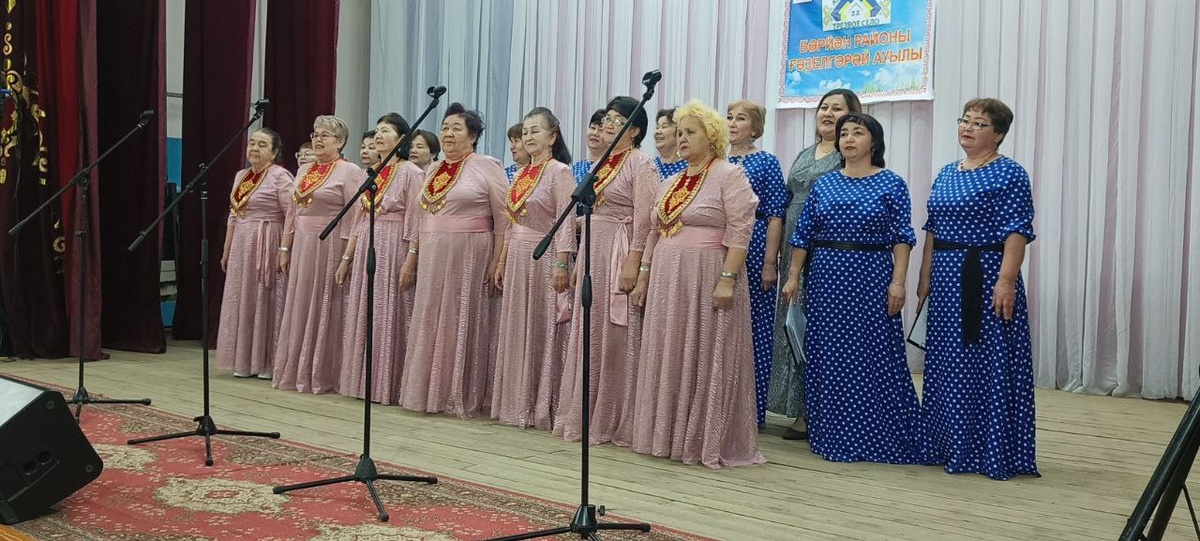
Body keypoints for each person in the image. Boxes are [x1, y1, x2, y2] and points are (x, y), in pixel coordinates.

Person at [629, 100, 764, 468]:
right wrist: (644, 275)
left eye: (690, 132)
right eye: (680, 132)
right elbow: (654, 231)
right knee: (669, 349)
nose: (682, 138)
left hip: (707, 274)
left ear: (712, 136)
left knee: (703, 350)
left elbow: (740, 230)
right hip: (667, 278)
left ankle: (702, 438)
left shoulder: (730, 175)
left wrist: (728, 279)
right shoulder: (671, 180)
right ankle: (666, 435)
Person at [780, 112, 920, 464]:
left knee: (872, 355)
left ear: (874, 142)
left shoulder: (891, 182)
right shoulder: (825, 183)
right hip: (826, 277)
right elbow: (803, 235)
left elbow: (902, 237)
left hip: (871, 275)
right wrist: (793, 275)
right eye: (844, 133)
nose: (849, 139)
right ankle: (832, 432)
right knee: (829, 355)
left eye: (858, 132)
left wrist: (898, 282)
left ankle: (875, 432)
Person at [916, 98, 1038, 480]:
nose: (967, 128)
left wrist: (1006, 281)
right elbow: (932, 230)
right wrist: (924, 278)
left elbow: (1017, 231)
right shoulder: (946, 172)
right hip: (946, 280)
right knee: (947, 362)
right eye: (964, 120)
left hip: (985, 277)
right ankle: (947, 443)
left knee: (984, 361)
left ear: (998, 134)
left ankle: (987, 449)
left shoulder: (1009, 173)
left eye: (978, 123)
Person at [554, 96, 657, 445]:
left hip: (620, 248)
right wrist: (575, 258)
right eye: (607, 119)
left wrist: (635, 261)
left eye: (618, 120)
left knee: (617, 334)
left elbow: (645, 218)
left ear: (635, 131)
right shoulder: (602, 163)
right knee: (591, 329)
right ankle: (586, 411)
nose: (609, 125)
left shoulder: (640, 163)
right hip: (594, 248)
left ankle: (617, 417)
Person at [399, 102, 508, 417]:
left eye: (456, 128)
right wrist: (412, 257)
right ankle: (428, 391)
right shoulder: (433, 169)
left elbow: (504, 218)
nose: (447, 133)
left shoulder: (487, 165)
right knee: (431, 317)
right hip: (432, 253)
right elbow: (421, 218)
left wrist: (498, 260)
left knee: (460, 318)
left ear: (473, 136)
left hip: (469, 252)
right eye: (444, 127)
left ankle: (459, 392)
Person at [768, 88, 862, 440]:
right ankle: (798, 407)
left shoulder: (849, 155)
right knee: (793, 323)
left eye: (837, 109)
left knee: (818, 326)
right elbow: (787, 200)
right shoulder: (805, 153)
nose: (827, 113)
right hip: (792, 248)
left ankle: (817, 410)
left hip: (825, 248)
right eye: (824, 107)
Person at [490, 107, 575, 429]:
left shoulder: (559, 172)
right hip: (517, 256)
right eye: (525, 131)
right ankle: (516, 403)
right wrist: (501, 260)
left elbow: (565, 219)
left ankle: (542, 405)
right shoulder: (521, 173)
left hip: (544, 255)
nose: (527, 137)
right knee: (518, 326)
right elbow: (510, 223)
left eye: (535, 130)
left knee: (542, 327)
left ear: (552, 137)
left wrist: (562, 262)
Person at [335, 113, 425, 405]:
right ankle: (363, 382)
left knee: (390, 310)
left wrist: (412, 257)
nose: (378, 135)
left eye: (385, 131)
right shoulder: (371, 173)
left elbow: (416, 218)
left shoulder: (411, 172)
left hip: (394, 244)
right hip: (367, 243)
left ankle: (389, 384)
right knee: (366, 308)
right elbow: (359, 220)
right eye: (377, 130)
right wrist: (347, 257)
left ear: (401, 138)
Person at [272, 115, 365, 394]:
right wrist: (285, 247)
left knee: (326, 303)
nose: (318, 139)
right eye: (315, 134)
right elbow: (293, 212)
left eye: (325, 135)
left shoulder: (349, 171)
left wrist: (347, 256)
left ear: (341, 141)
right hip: (302, 242)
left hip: (330, 243)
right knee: (301, 303)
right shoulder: (304, 170)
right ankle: (297, 368)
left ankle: (325, 373)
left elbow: (355, 215)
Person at [726, 100, 789, 428]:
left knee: (756, 329)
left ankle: (752, 411)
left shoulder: (766, 162)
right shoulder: (716, 160)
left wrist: (769, 263)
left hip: (755, 244)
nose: (733, 123)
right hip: (720, 246)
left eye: (741, 118)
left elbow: (776, 214)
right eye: (729, 117)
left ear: (755, 127)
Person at [217, 128, 294, 379]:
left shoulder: (280, 176)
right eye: (252, 143)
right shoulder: (242, 176)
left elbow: (292, 215)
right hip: (241, 242)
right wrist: (227, 249)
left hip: (267, 239)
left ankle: (267, 362)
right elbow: (233, 215)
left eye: (262, 144)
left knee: (265, 297)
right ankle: (243, 360)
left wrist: (285, 248)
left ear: (274, 152)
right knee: (243, 297)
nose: (254, 148)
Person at [571, 109, 606, 185]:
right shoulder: (574, 169)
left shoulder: (611, 168)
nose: (595, 133)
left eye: (601, 130)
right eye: (593, 128)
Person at [652, 108, 687, 179]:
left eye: (664, 127)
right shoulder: (650, 165)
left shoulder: (688, 168)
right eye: (657, 127)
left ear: (679, 133)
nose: (657, 131)